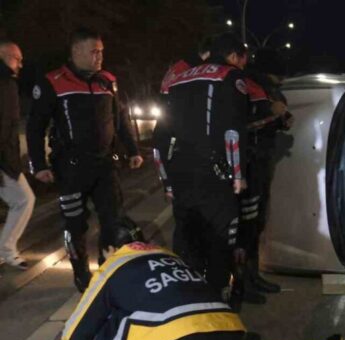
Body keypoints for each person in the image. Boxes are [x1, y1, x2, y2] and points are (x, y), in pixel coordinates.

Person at [61, 218, 248, 340]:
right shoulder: (171, 256)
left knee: (111, 324)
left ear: (110, 249)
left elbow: (75, 339)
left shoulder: (114, 266)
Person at [26, 28, 143, 292]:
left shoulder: (107, 81)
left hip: (105, 165)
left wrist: (133, 149)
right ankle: (81, 275)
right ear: (76, 51)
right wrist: (39, 166)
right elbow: (35, 127)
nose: (99, 56)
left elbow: (120, 118)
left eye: (101, 51)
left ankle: (108, 268)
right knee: (76, 224)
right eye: (94, 51)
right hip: (71, 168)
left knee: (113, 219)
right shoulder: (53, 82)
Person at [153, 33, 248, 302]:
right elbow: (233, 130)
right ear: (232, 56)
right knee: (219, 248)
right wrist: (238, 174)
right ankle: (216, 316)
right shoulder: (230, 76)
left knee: (188, 246)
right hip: (215, 177)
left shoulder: (179, 78)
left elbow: (160, 139)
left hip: (182, 175)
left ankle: (187, 310)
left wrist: (167, 182)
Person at [234, 50, 289, 305]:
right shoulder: (244, 85)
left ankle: (253, 276)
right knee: (245, 226)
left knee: (256, 223)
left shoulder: (268, 88)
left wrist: (281, 119)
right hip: (248, 163)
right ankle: (241, 282)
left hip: (262, 163)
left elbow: (276, 118)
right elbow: (238, 123)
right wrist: (271, 113)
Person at [0, 40, 35, 271]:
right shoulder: (4, 83)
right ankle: (6, 250)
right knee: (24, 199)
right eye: (16, 58)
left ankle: (5, 250)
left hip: (5, 158)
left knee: (22, 199)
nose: (20, 64)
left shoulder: (7, 82)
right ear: (2, 55)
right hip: (3, 159)